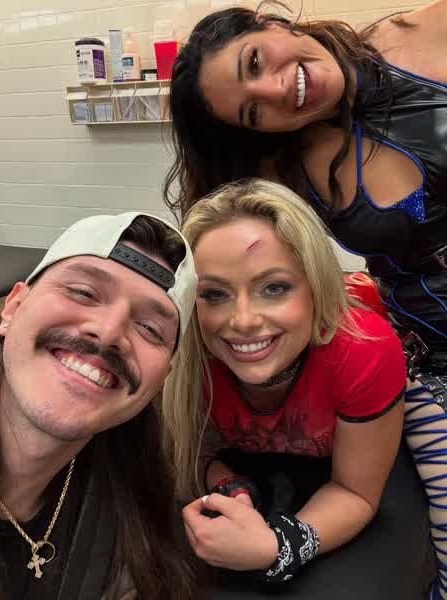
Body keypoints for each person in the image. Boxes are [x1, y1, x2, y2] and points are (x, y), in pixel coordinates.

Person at [165, 3, 447, 595]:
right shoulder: (291, 163)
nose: (275, 90)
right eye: (252, 112)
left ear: (274, 24)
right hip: (434, 350)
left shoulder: (422, 34)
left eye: (255, 61)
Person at [162, 179, 431, 600]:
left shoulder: (363, 349)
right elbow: (192, 455)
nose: (243, 320)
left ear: (315, 287)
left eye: (274, 288)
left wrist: (277, 547)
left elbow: (355, 491)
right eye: (214, 294)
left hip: (351, 473)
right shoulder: (182, 353)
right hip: (251, 473)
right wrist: (230, 486)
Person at [0, 211, 199, 599]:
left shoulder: (136, 529)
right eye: (84, 293)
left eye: (149, 329)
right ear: (14, 307)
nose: (108, 334)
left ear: (162, 378)